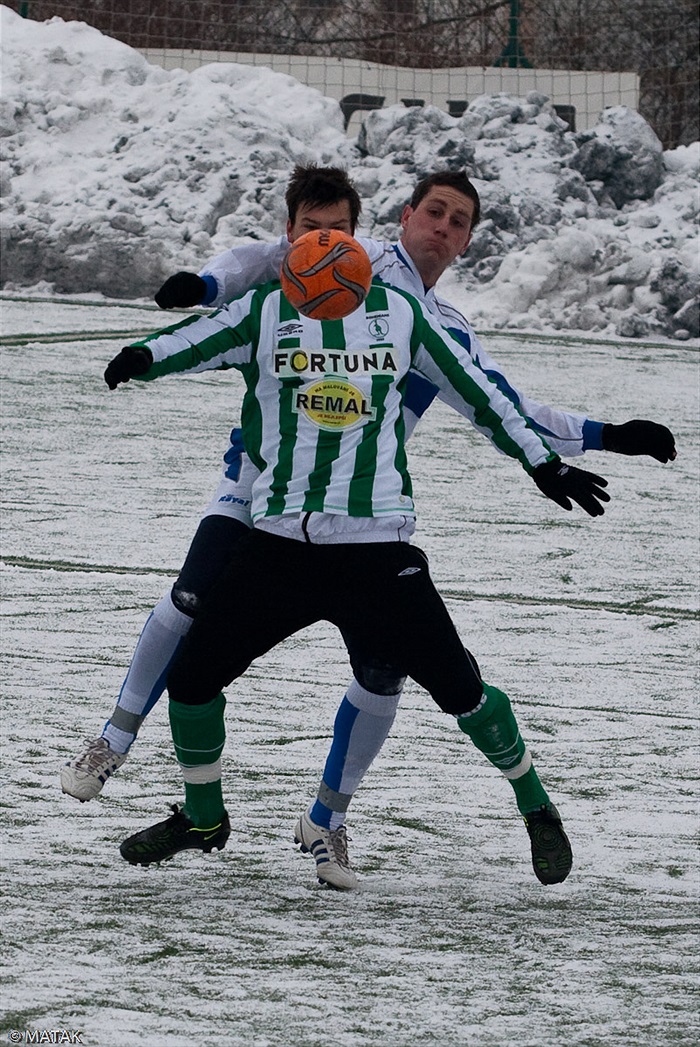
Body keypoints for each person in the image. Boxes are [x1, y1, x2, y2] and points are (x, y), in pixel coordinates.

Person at [61, 166, 676, 887]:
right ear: (404, 215)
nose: (441, 228)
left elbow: (498, 403)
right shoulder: (347, 255)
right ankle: (120, 738)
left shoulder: (431, 323)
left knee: (386, 674)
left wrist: (604, 436)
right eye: (433, 212)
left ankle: (327, 819)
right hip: (261, 493)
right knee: (192, 610)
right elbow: (261, 258)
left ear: (468, 241)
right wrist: (202, 286)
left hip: (366, 526)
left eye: (458, 221)